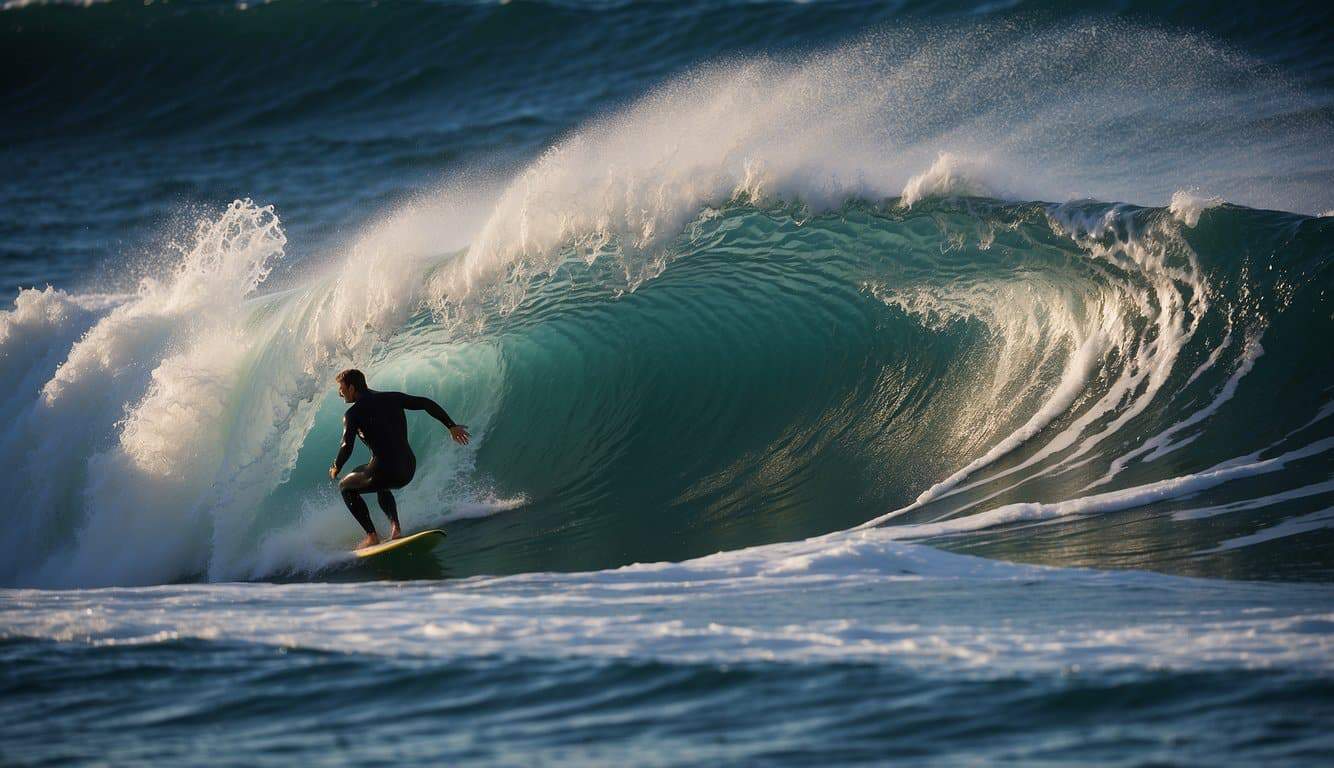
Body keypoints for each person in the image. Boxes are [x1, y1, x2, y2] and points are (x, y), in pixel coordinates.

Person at [329, 368, 470, 549]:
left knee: (345, 487)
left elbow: (346, 446)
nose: (339, 393)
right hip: (408, 468)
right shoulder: (392, 397)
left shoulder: (352, 414)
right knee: (370, 476)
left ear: (351, 387)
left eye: (341, 388)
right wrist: (451, 426)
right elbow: (425, 403)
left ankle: (372, 536)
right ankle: (395, 528)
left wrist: (336, 467)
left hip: (383, 472)